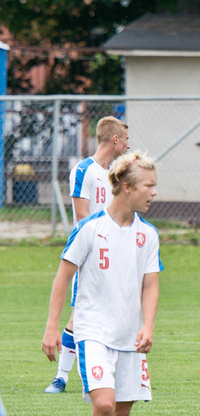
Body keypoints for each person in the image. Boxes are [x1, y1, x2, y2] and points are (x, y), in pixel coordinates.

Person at [42, 151, 162, 416]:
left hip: (129, 338)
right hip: (92, 331)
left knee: (122, 415)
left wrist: (148, 325)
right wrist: (52, 328)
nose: (154, 193)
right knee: (105, 405)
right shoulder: (90, 228)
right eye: (149, 186)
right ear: (126, 188)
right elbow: (63, 276)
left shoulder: (148, 235)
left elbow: (151, 285)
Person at [45, 116, 130, 394]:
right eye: (126, 139)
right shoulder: (85, 170)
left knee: (103, 315)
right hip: (90, 253)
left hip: (113, 255)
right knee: (79, 317)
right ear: (115, 139)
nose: (128, 145)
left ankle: (95, 374)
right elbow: (82, 217)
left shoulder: (116, 175)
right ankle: (63, 377)